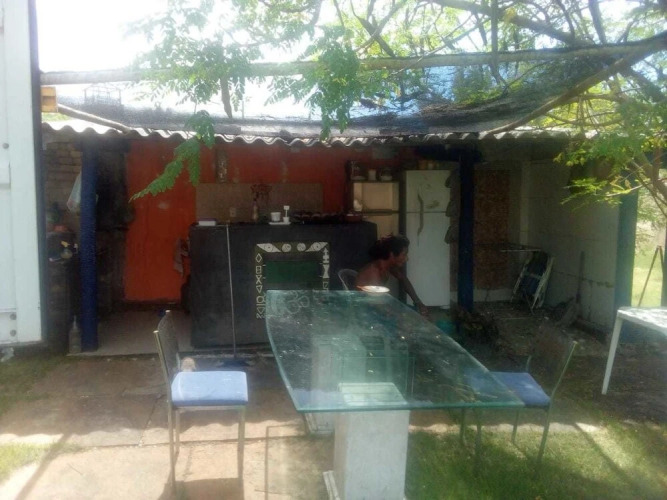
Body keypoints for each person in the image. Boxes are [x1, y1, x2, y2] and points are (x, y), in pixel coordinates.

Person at [355, 234, 429, 316]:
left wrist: (418, 302)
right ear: (392, 254)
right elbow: (378, 305)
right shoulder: (374, 272)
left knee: (420, 313)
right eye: (404, 254)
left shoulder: (388, 266)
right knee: (415, 316)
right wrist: (404, 316)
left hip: (377, 306)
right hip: (366, 312)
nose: (407, 258)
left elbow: (403, 279)